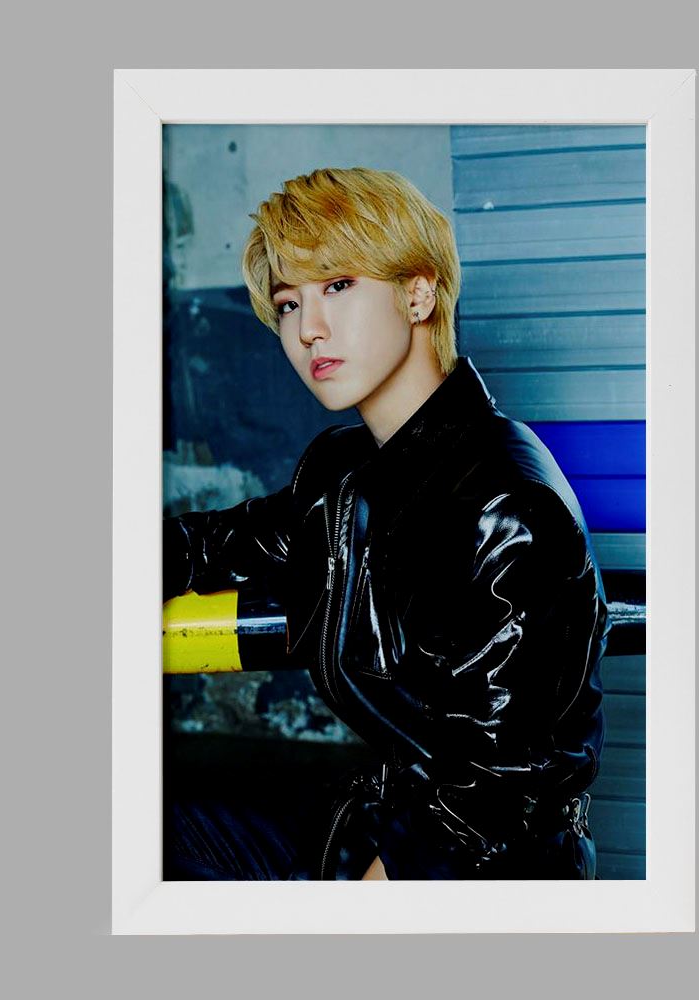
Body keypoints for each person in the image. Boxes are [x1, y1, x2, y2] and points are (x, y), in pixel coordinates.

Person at [163, 166, 608, 880]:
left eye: (338, 286)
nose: (308, 330)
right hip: (379, 819)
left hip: (487, 873)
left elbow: (488, 801)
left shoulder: (506, 503)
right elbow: (212, 545)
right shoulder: (346, 471)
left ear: (418, 293)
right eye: (288, 303)